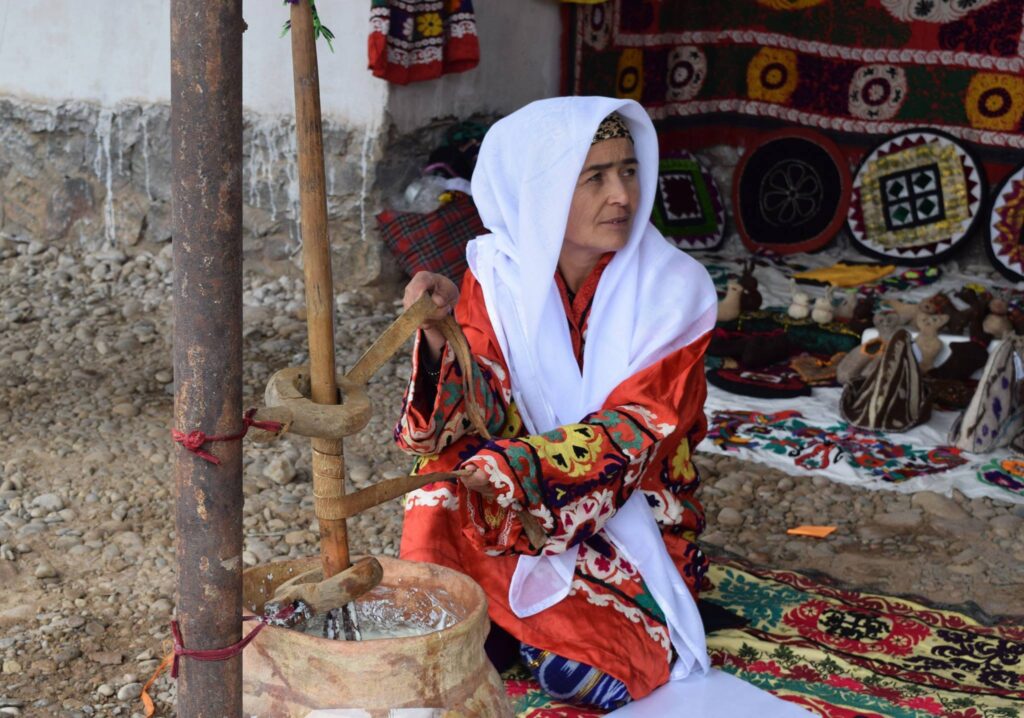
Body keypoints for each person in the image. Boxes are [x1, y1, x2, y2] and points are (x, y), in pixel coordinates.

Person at [394, 96, 718, 710]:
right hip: (523, 499)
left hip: (631, 509)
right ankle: (479, 623)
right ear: (536, 191)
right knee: (441, 479)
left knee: (601, 668)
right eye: (594, 177)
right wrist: (440, 335)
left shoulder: (676, 292)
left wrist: (518, 471)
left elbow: (636, 430)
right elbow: (476, 411)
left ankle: (518, 631)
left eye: (628, 169)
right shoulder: (496, 277)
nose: (622, 194)